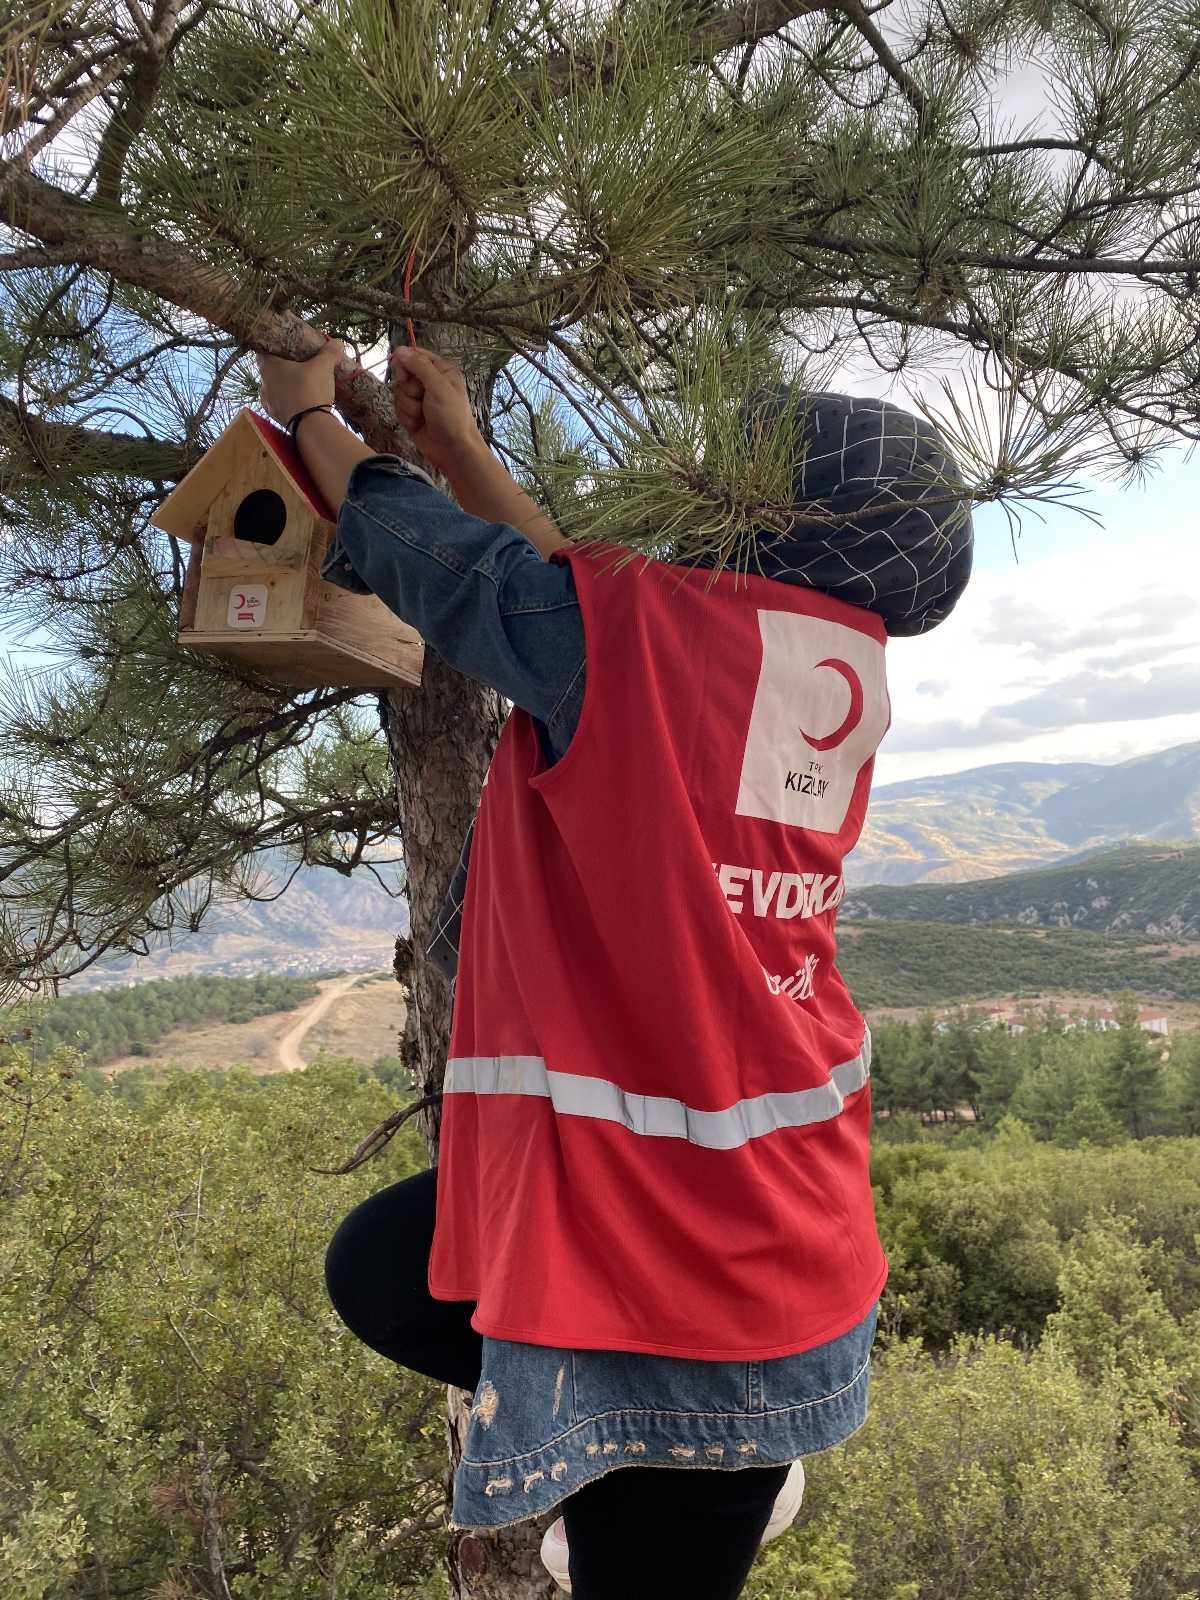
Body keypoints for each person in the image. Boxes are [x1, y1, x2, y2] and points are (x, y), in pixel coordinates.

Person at [255, 335, 973, 1600]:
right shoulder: (808, 658)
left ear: (763, 526)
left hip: (711, 1319)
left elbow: (462, 576)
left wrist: (311, 419)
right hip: (744, 1224)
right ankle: (618, 1438)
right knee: (383, 1264)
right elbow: (572, 603)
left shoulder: (642, 648)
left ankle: (671, 1457)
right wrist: (467, 451)